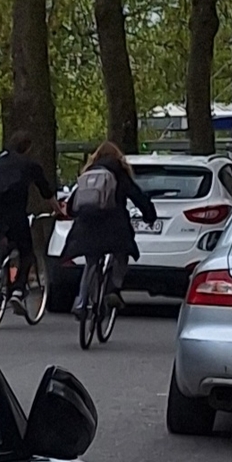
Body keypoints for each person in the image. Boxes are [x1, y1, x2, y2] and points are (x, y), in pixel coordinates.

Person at [60, 139, 158, 333]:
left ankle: (81, 302)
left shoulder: (87, 174)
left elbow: (72, 204)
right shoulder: (119, 172)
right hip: (114, 225)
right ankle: (113, 289)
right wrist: (149, 215)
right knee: (122, 255)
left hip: (87, 225)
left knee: (91, 262)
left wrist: (72, 214)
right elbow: (136, 195)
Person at [0, 133, 56, 304]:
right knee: (27, 251)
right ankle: (18, 290)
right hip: (15, 212)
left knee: (4, 242)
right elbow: (45, 190)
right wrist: (57, 208)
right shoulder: (28, 165)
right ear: (27, 148)